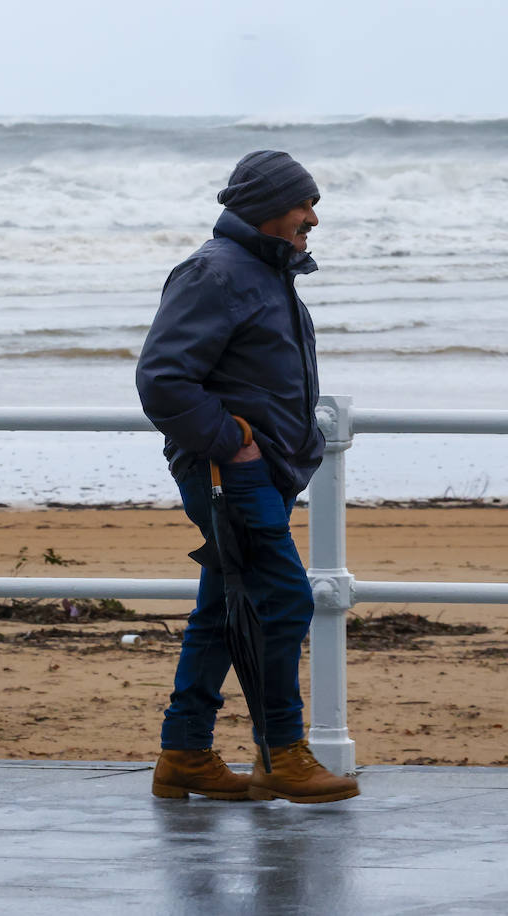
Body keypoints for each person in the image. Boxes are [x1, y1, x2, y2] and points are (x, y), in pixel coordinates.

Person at [135, 150, 359, 804]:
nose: (313, 218)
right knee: (284, 600)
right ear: (266, 207)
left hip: (262, 470)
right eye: (304, 204)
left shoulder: (265, 273)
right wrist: (234, 443)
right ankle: (281, 754)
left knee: (222, 609)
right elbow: (162, 380)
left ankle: (185, 754)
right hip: (230, 474)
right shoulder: (217, 273)